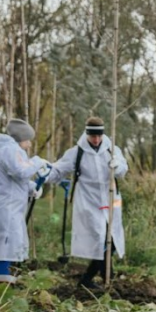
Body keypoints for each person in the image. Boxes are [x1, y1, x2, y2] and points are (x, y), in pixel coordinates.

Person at [47, 117, 129, 290]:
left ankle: (100, 275)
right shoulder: (77, 152)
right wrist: (43, 174)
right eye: (93, 136)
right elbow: (58, 170)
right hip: (88, 202)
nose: (96, 140)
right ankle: (95, 277)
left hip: (110, 200)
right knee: (99, 240)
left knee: (111, 240)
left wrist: (117, 166)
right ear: (87, 133)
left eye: (99, 136)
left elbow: (123, 169)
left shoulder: (112, 150)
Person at [0, 118, 51, 284]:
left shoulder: (5, 151)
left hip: (3, 205)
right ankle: (1, 277)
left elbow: (14, 180)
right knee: (5, 240)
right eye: (28, 140)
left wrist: (32, 188)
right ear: (21, 139)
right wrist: (38, 161)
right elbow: (21, 172)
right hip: (5, 207)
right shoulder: (10, 150)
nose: (30, 145)